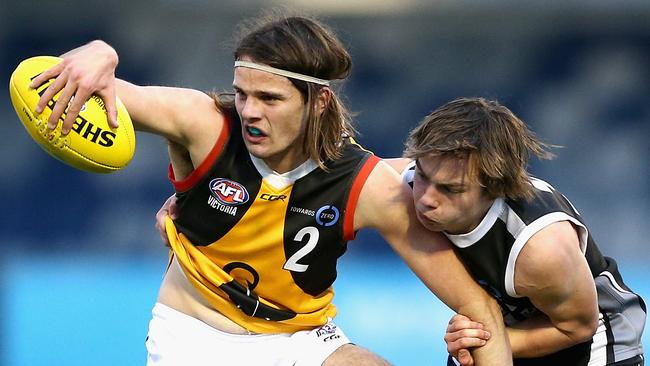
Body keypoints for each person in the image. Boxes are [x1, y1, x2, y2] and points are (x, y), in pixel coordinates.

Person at [31, 14, 512, 366]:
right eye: (242, 94)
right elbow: (113, 91)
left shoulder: (365, 186)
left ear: (319, 101)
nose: (249, 111)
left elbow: (477, 306)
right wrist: (101, 52)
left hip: (302, 340)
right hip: (193, 338)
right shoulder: (203, 125)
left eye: (269, 98)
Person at [386, 97, 645, 365]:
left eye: (451, 189)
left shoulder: (540, 248)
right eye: (423, 175)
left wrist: (480, 344)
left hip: (594, 344)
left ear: (495, 189)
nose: (426, 198)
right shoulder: (402, 181)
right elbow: (353, 174)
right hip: (508, 325)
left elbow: (577, 327)